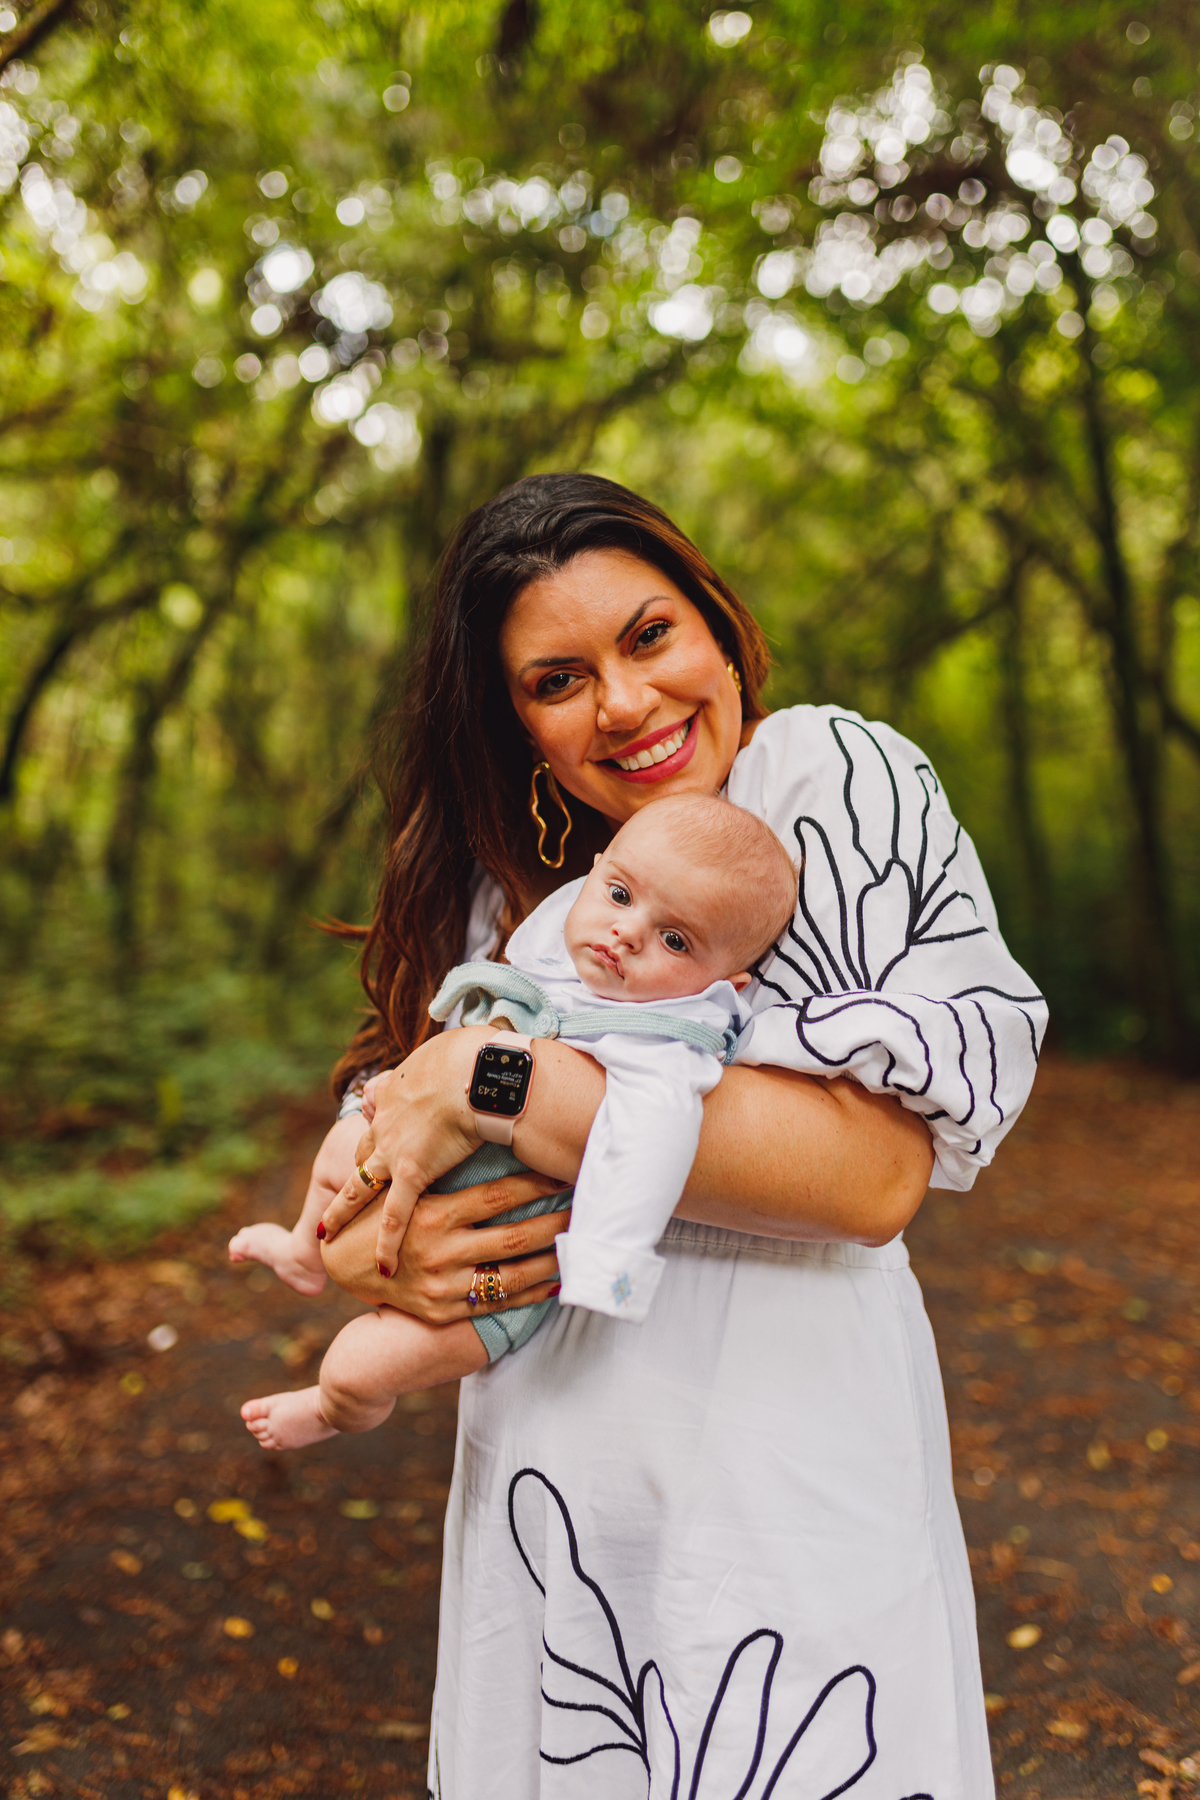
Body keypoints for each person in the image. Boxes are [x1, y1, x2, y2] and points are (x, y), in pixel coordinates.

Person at [312, 474, 1046, 1800]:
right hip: (550, 1474)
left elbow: (873, 1176)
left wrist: (496, 1083)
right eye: (558, 678)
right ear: (517, 719)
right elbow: (378, 1194)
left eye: (650, 638)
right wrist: (385, 1260)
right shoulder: (515, 888)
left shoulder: (816, 778)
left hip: (783, 1447)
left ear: (716, 622)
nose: (627, 704)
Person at [238, 794, 796, 1452]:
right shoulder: (552, 953)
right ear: (593, 875)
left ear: (721, 986)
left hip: (504, 1258)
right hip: (418, 1166)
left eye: (675, 940)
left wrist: (604, 1267)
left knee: (356, 1366)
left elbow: (652, 1147)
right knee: (338, 1148)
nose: (627, 934)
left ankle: (334, 1409)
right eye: (618, 896)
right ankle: (304, 1247)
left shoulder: (661, 1043)